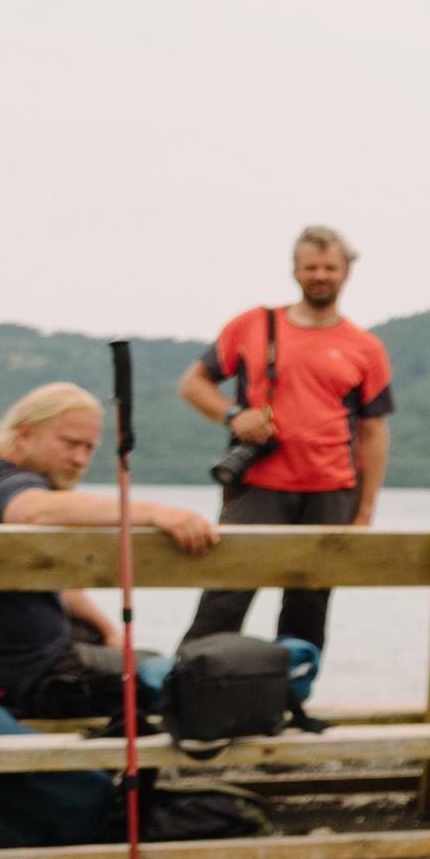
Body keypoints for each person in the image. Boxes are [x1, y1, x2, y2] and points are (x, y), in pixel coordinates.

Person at [0, 384, 219, 716]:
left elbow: (56, 582)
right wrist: (155, 513)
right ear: (25, 434)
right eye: (71, 443)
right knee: (168, 674)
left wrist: (110, 631)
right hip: (8, 678)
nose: (80, 459)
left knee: (131, 656)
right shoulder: (6, 483)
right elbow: (32, 510)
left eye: (89, 448)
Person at [175, 225, 394, 649]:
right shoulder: (252, 325)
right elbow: (193, 384)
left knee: (309, 606)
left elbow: (374, 430)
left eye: (330, 267)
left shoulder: (366, 347)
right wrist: (234, 415)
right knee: (225, 595)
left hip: (331, 489)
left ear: (346, 272)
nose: (320, 275)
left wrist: (365, 512)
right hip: (258, 485)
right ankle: (187, 698)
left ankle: (293, 704)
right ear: (295, 271)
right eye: (311, 266)